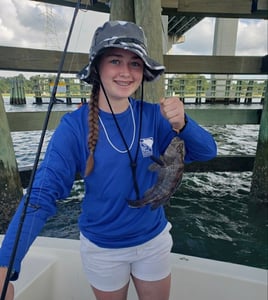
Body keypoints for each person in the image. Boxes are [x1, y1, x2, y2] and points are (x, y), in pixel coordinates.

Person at [0, 20, 217, 300]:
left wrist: (184, 123)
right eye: (116, 61)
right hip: (103, 248)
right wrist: (6, 263)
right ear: (97, 68)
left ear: (143, 71)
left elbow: (206, 152)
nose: (126, 72)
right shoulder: (73, 127)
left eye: (135, 63)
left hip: (153, 240)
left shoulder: (154, 116)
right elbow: (41, 195)